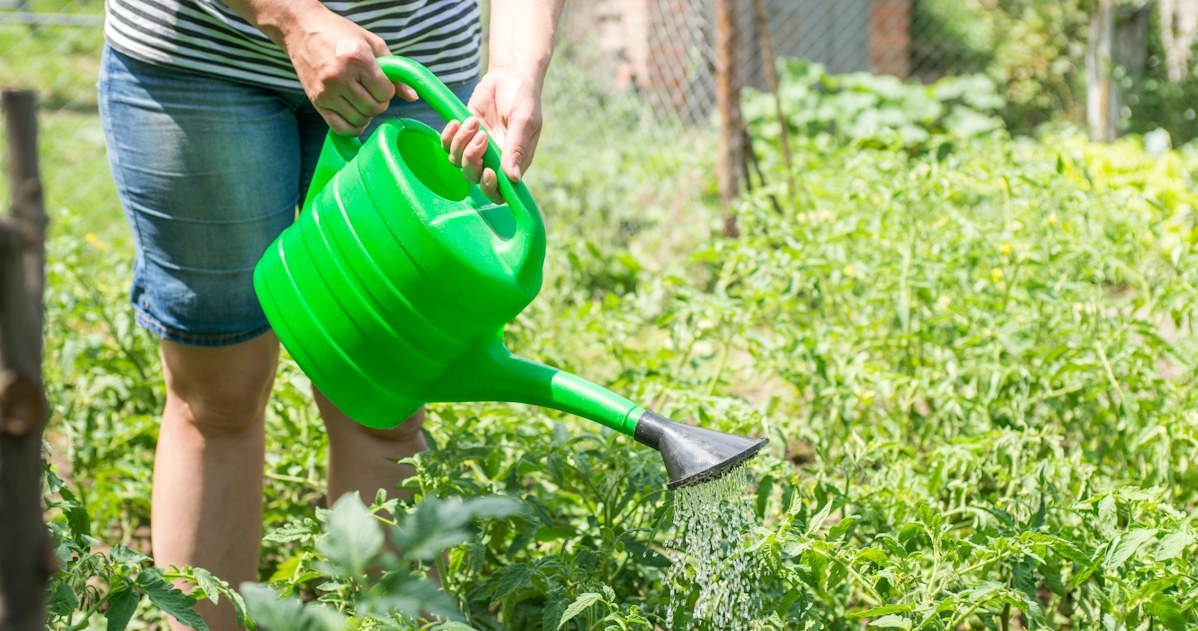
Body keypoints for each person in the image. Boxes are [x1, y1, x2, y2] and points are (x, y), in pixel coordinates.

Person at [97, 1, 564, 629]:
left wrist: (516, 66)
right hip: (205, 61)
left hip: (404, 68)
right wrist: (290, 16)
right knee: (217, 399)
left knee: (381, 406)